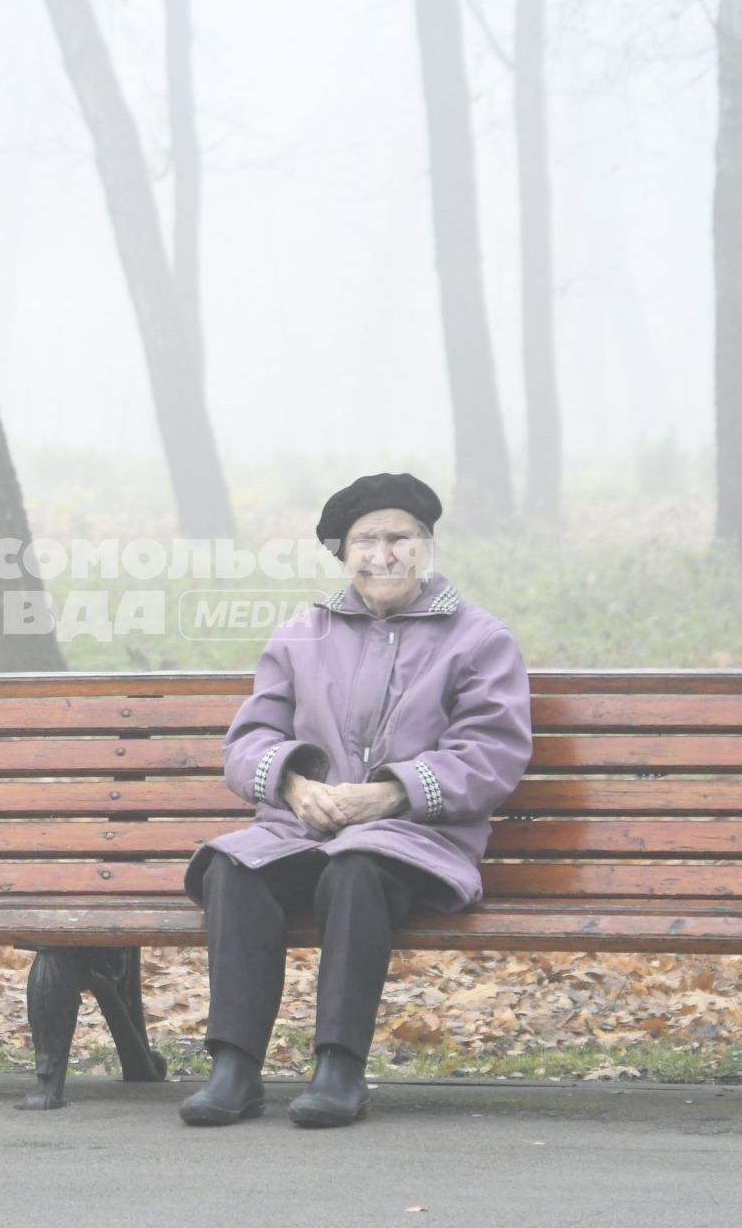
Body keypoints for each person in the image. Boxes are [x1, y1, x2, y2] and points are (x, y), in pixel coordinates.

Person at [178, 472, 533, 1128]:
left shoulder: (478, 639)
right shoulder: (299, 635)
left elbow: (492, 754)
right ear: (344, 554)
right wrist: (292, 785)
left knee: (356, 868)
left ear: (427, 547)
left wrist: (391, 794)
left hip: (415, 838)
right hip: (301, 829)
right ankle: (233, 1068)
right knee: (232, 865)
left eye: (400, 538)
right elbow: (251, 738)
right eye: (365, 540)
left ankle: (339, 1069)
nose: (383, 553)